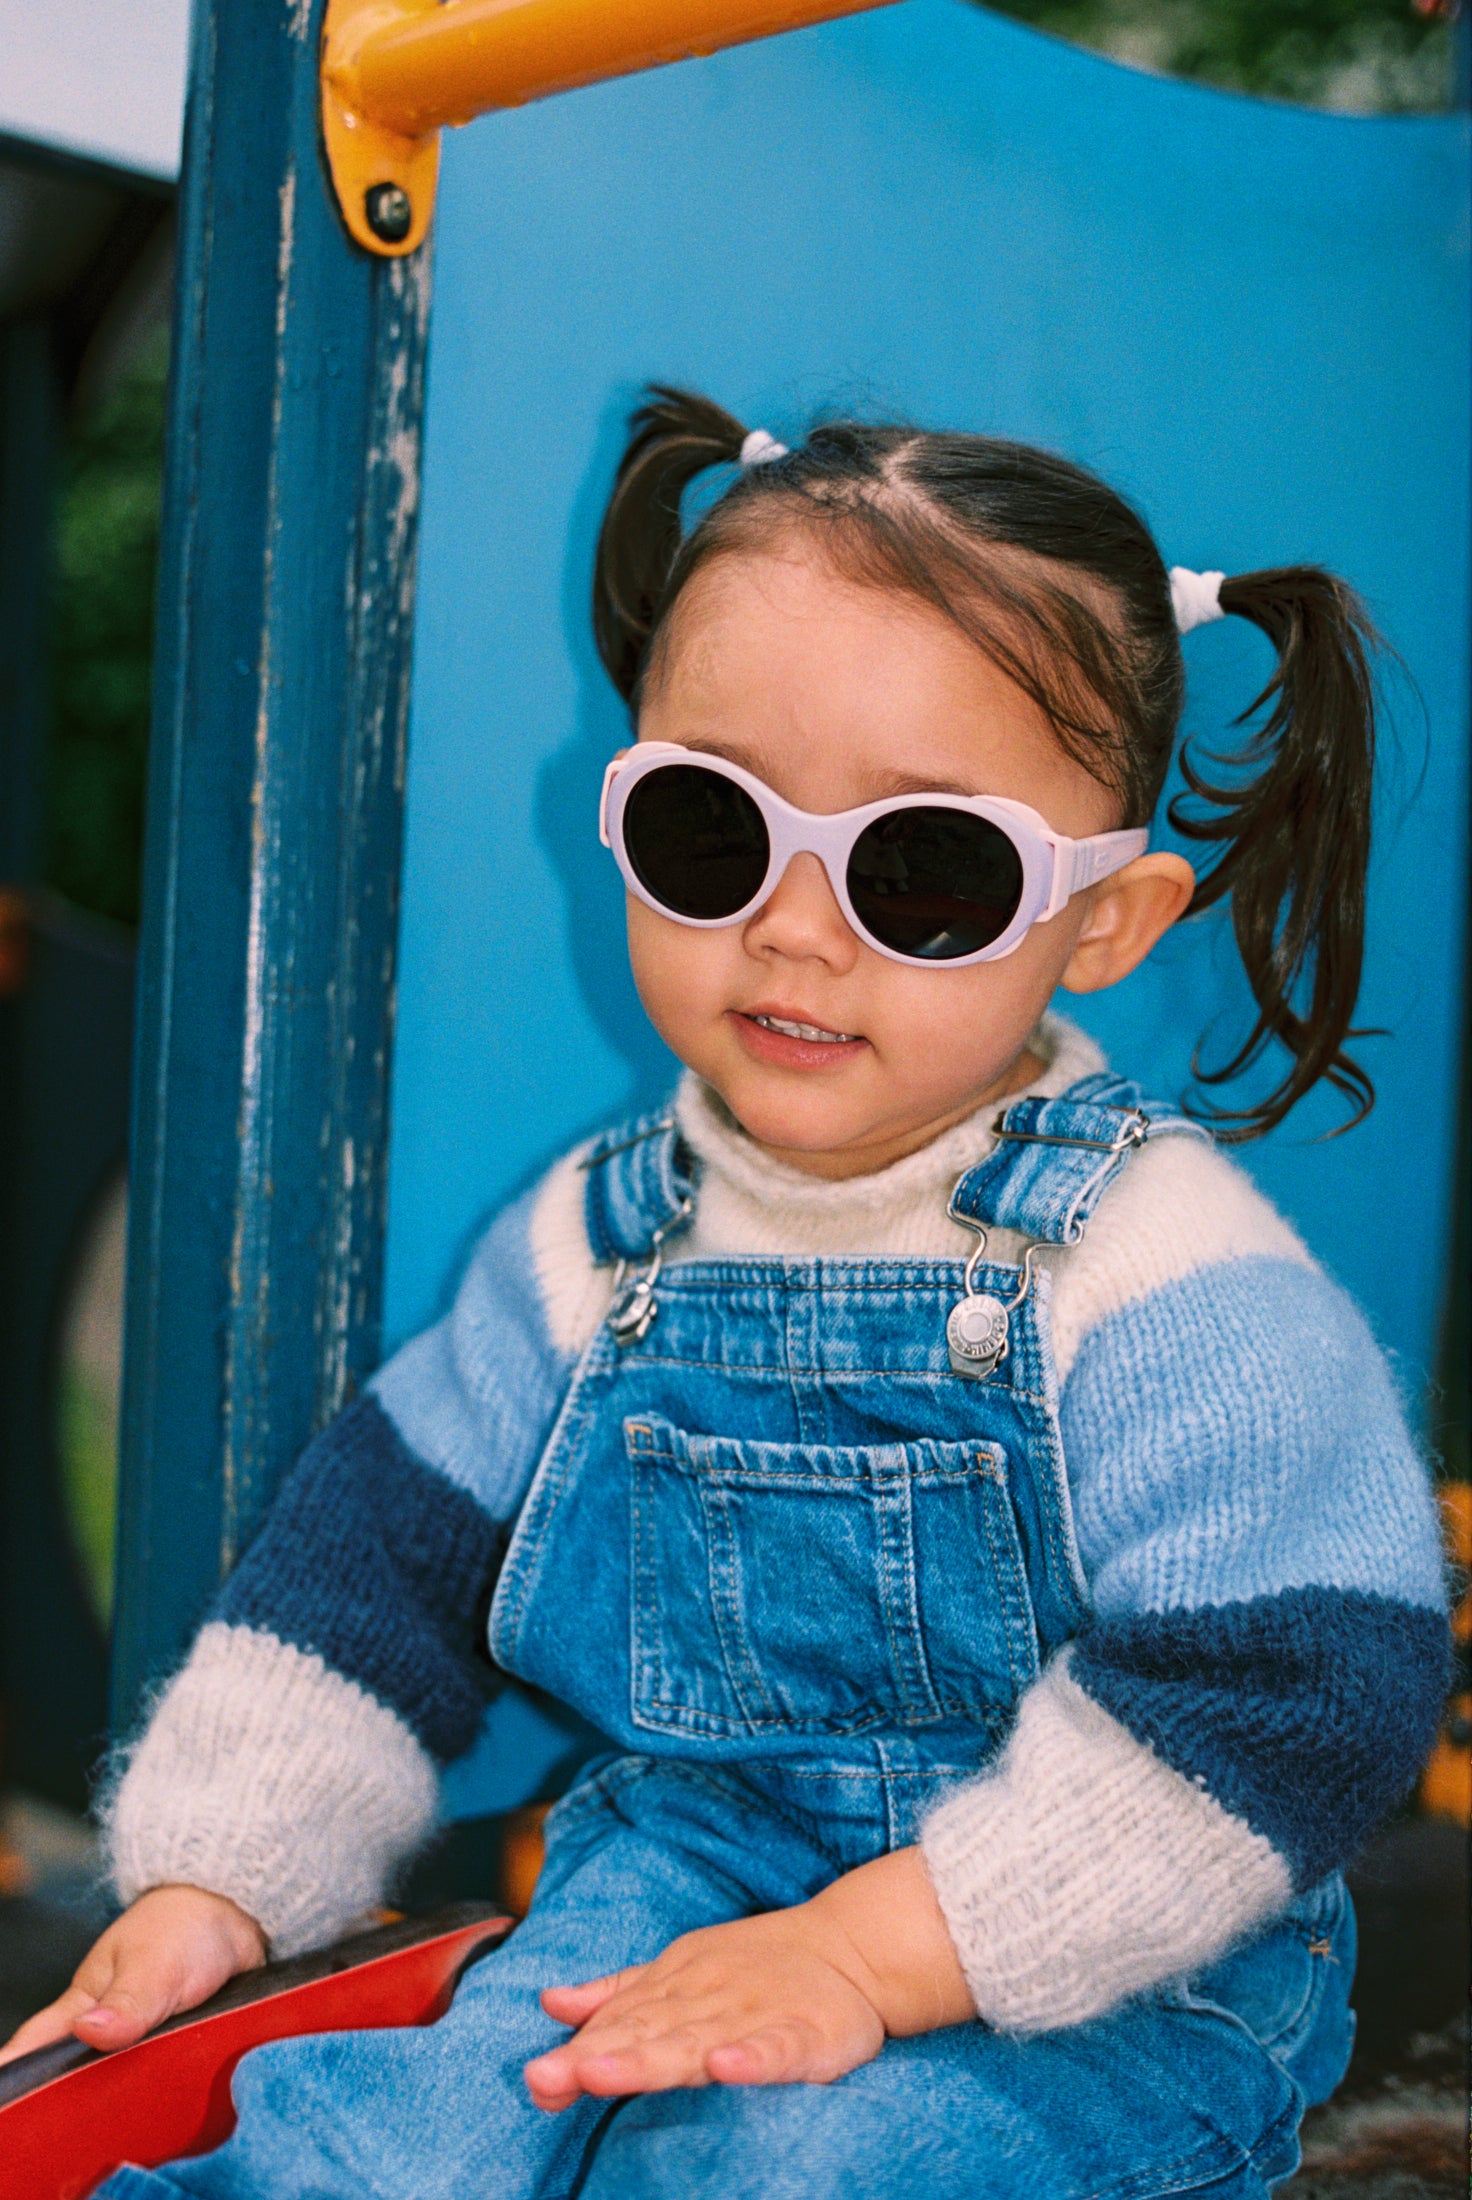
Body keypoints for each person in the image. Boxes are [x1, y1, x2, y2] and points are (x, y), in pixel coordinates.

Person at [4, 392, 1449, 2199]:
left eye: (926, 873)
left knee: (791, 2166)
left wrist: (872, 1953)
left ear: (1107, 922)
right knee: (381, 2152)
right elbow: (378, 1568)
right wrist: (222, 1871)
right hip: (685, 1874)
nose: (792, 923)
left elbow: (1301, 1685)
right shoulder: (604, 1242)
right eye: (712, 829)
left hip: (1115, 1965)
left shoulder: (1154, 1270)